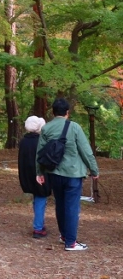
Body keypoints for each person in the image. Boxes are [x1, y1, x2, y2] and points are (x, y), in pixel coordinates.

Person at [36, 98, 99, 251]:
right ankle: (71, 242)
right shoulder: (74, 127)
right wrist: (94, 170)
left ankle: (64, 235)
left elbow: (40, 152)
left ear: (53, 112)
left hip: (54, 173)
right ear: (67, 113)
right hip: (73, 173)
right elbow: (86, 150)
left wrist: (39, 172)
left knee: (60, 204)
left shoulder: (46, 128)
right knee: (71, 207)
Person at [18, 116, 51, 238]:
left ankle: (39, 223)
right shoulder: (42, 141)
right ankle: (38, 228)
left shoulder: (23, 141)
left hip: (27, 174)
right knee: (41, 198)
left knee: (37, 199)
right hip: (40, 174)